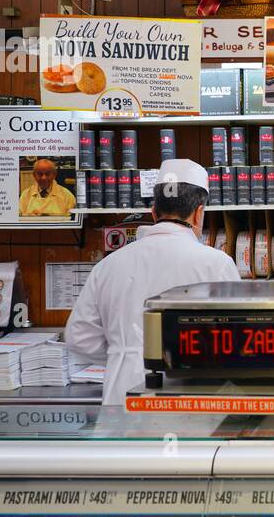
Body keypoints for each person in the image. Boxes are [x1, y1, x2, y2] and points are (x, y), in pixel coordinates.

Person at [65, 158, 239, 403]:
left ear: (154, 213)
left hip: (123, 394)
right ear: (199, 214)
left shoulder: (108, 265)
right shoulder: (217, 264)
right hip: (192, 392)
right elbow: (235, 337)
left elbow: (79, 338)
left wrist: (126, 353)